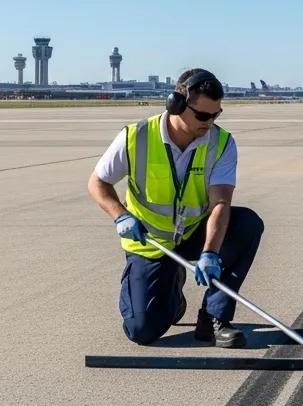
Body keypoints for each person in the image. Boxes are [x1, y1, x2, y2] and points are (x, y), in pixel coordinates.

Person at [87, 68, 264, 348]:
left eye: (216, 114)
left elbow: (220, 202)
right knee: (142, 331)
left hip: (195, 234)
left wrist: (210, 253)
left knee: (247, 224)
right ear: (176, 104)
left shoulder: (221, 143)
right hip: (151, 241)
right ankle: (170, 290)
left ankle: (213, 318)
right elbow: (98, 183)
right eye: (203, 115)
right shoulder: (137, 137)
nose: (210, 122)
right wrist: (120, 215)